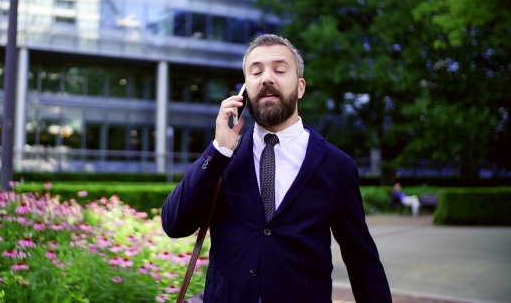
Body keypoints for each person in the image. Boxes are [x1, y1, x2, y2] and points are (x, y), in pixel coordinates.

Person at [162, 34, 392, 302]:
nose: (267, 78)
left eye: (280, 70)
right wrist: (219, 149)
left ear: (301, 87)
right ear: (244, 91)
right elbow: (174, 224)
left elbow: (361, 259)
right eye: (256, 71)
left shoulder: (336, 165)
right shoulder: (224, 157)